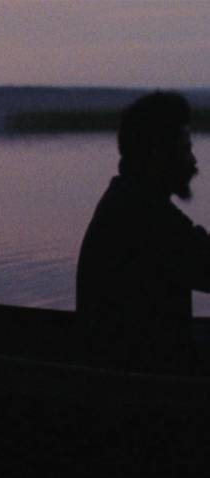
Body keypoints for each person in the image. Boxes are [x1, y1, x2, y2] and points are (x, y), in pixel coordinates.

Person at [76, 91, 210, 375]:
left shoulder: (128, 199)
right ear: (158, 156)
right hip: (141, 377)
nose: (194, 162)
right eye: (185, 149)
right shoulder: (143, 215)